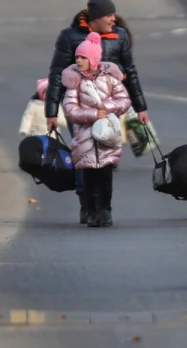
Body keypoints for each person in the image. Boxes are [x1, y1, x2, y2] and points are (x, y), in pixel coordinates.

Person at [45, 0, 150, 225]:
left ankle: (104, 209)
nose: (114, 20)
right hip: (80, 111)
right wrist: (51, 111)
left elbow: (130, 72)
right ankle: (87, 205)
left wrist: (140, 107)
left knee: (105, 159)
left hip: (109, 111)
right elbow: (56, 75)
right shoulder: (69, 37)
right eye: (109, 15)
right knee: (84, 156)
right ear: (95, 18)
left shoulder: (119, 36)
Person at [62, 33, 131, 228]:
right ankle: (91, 211)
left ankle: (105, 209)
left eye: (83, 57)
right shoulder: (74, 82)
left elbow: (124, 100)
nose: (79, 60)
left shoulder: (110, 79)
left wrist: (107, 109)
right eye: (77, 57)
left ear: (93, 59)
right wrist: (93, 114)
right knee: (89, 176)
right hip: (85, 137)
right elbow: (70, 109)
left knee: (106, 175)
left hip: (106, 135)